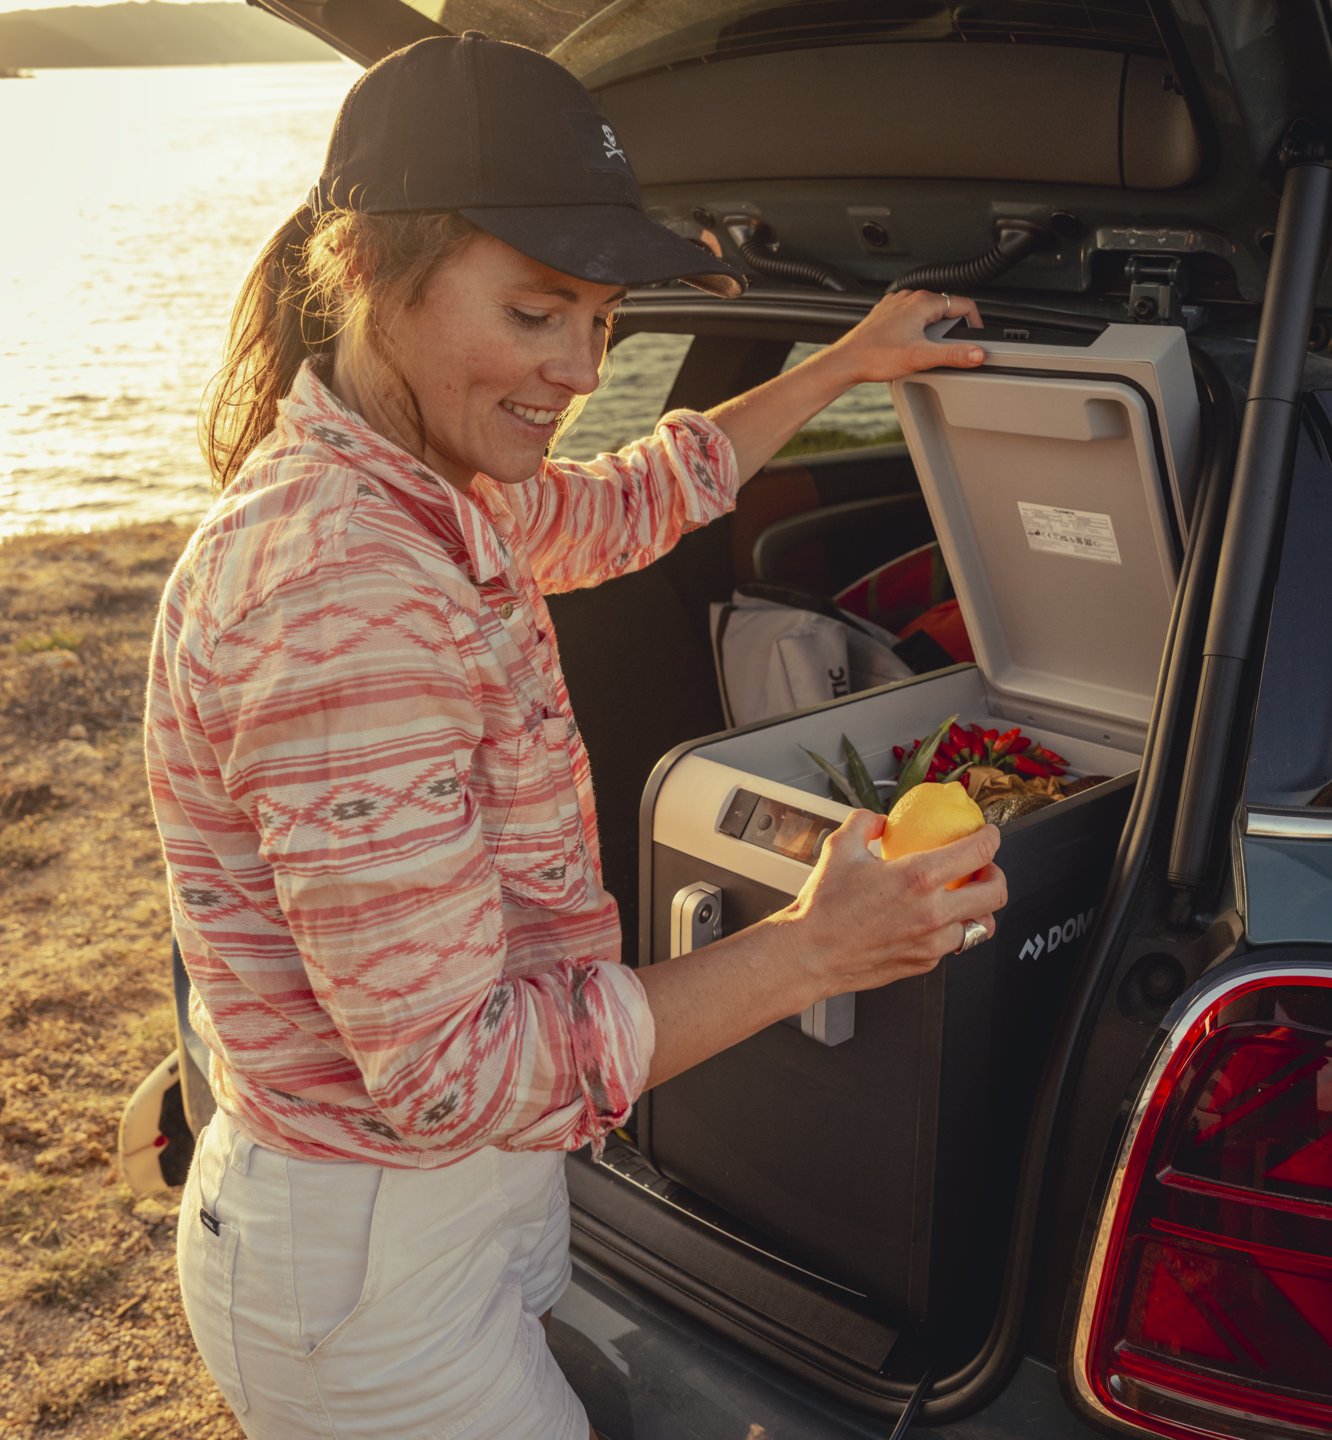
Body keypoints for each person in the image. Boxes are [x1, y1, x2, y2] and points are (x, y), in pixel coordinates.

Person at [144, 31, 1006, 1440]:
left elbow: (632, 500)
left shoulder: (433, 483)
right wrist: (817, 950)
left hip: (457, 1196)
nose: (576, 370)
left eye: (602, 321)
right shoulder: (339, 594)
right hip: (371, 1262)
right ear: (363, 266)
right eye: (537, 313)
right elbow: (454, 1075)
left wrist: (852, 358)